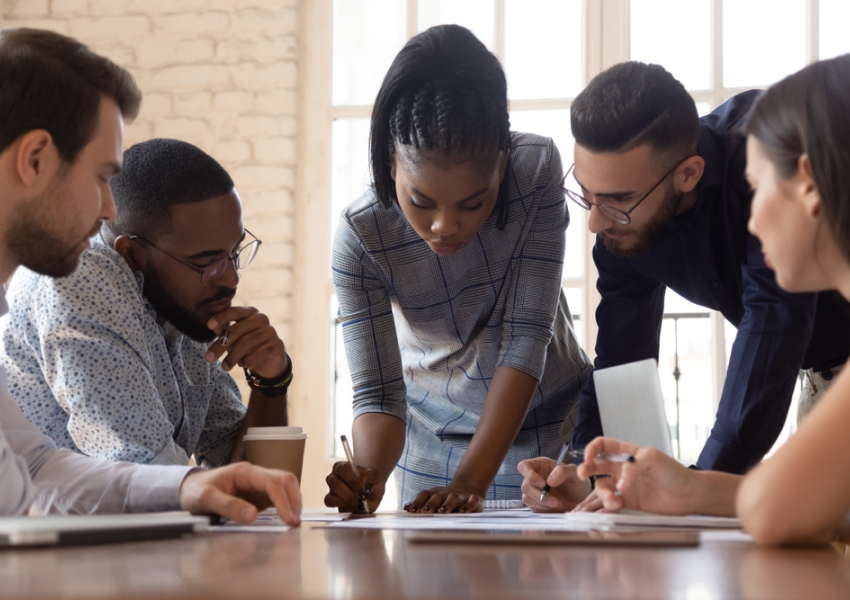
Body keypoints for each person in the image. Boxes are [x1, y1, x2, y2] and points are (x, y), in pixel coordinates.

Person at [522, 54, 850, 546]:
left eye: (616, 201)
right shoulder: (617, 228)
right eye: (587, 196)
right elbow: (620, 362)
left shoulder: (761, 144)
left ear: (690, 174)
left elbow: (773, 328)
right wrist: (596, 475)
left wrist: (693, 490)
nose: (594, 221)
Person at [0, 26, 300, 524]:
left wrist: (191, 484)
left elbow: (33, 468)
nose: (109, 209)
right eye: (100, 177)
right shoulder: (86, 275)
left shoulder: (179, 310)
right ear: (34, 160)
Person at [323, 24, 591, 514]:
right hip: (433, 443)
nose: (445, 226)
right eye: (421, 202)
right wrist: (368, 476)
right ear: (390, 163)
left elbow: (526, 338)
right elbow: (378, 393)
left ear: (503, 163)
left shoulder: (535, 171)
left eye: (474, 203)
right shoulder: (360, 236)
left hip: (554, 425)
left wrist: (472, 480)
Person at [1, 137, 292, 467]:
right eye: (206, 262)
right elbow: (150, 481)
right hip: (33, 515)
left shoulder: (184, 308)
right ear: (131, 253)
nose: (231, 279)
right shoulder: (79, 273)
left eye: (234, 252)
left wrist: (272, 379)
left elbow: (254, 485)